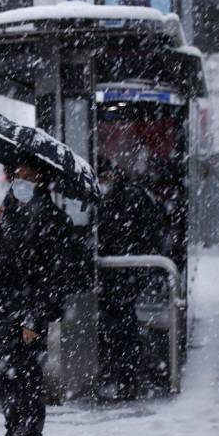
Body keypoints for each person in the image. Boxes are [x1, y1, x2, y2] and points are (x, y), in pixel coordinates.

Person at [0, 162, 80, 436]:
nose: (22, 180)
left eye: (29, 176)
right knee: (6, 376)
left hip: (29, 310)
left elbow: (53, 275)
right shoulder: (9, 209)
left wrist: (35, 318)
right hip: (1, 307)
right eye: (18, 175)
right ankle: (13, 432)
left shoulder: (52, 218)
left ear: (41, 179)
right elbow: (1, 254)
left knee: (28, 380)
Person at [96, 158, 164, 397]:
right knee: (122, 322)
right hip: (125, 271)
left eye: (103, 179)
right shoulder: (134, 195)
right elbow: (153, 231)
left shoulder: (121, 199)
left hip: (120, 271)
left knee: (119, 323)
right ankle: (125, 375)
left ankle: (123, 375)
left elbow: (141, 232)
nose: (102, 184)